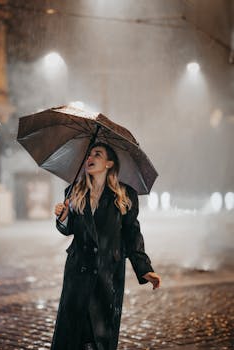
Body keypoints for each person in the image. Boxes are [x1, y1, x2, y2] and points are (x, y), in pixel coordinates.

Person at [51, 142, 161, 350]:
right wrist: (64, 217)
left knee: (99, 338)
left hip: (107, 275)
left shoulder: (125, 196)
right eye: (89, 155)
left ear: (109, 163)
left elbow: (132, 234)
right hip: (78, 275)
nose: (89, 158)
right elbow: (68, 229)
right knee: (73, 336)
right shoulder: (74, 191)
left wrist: (145, 269)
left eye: (97, 154)